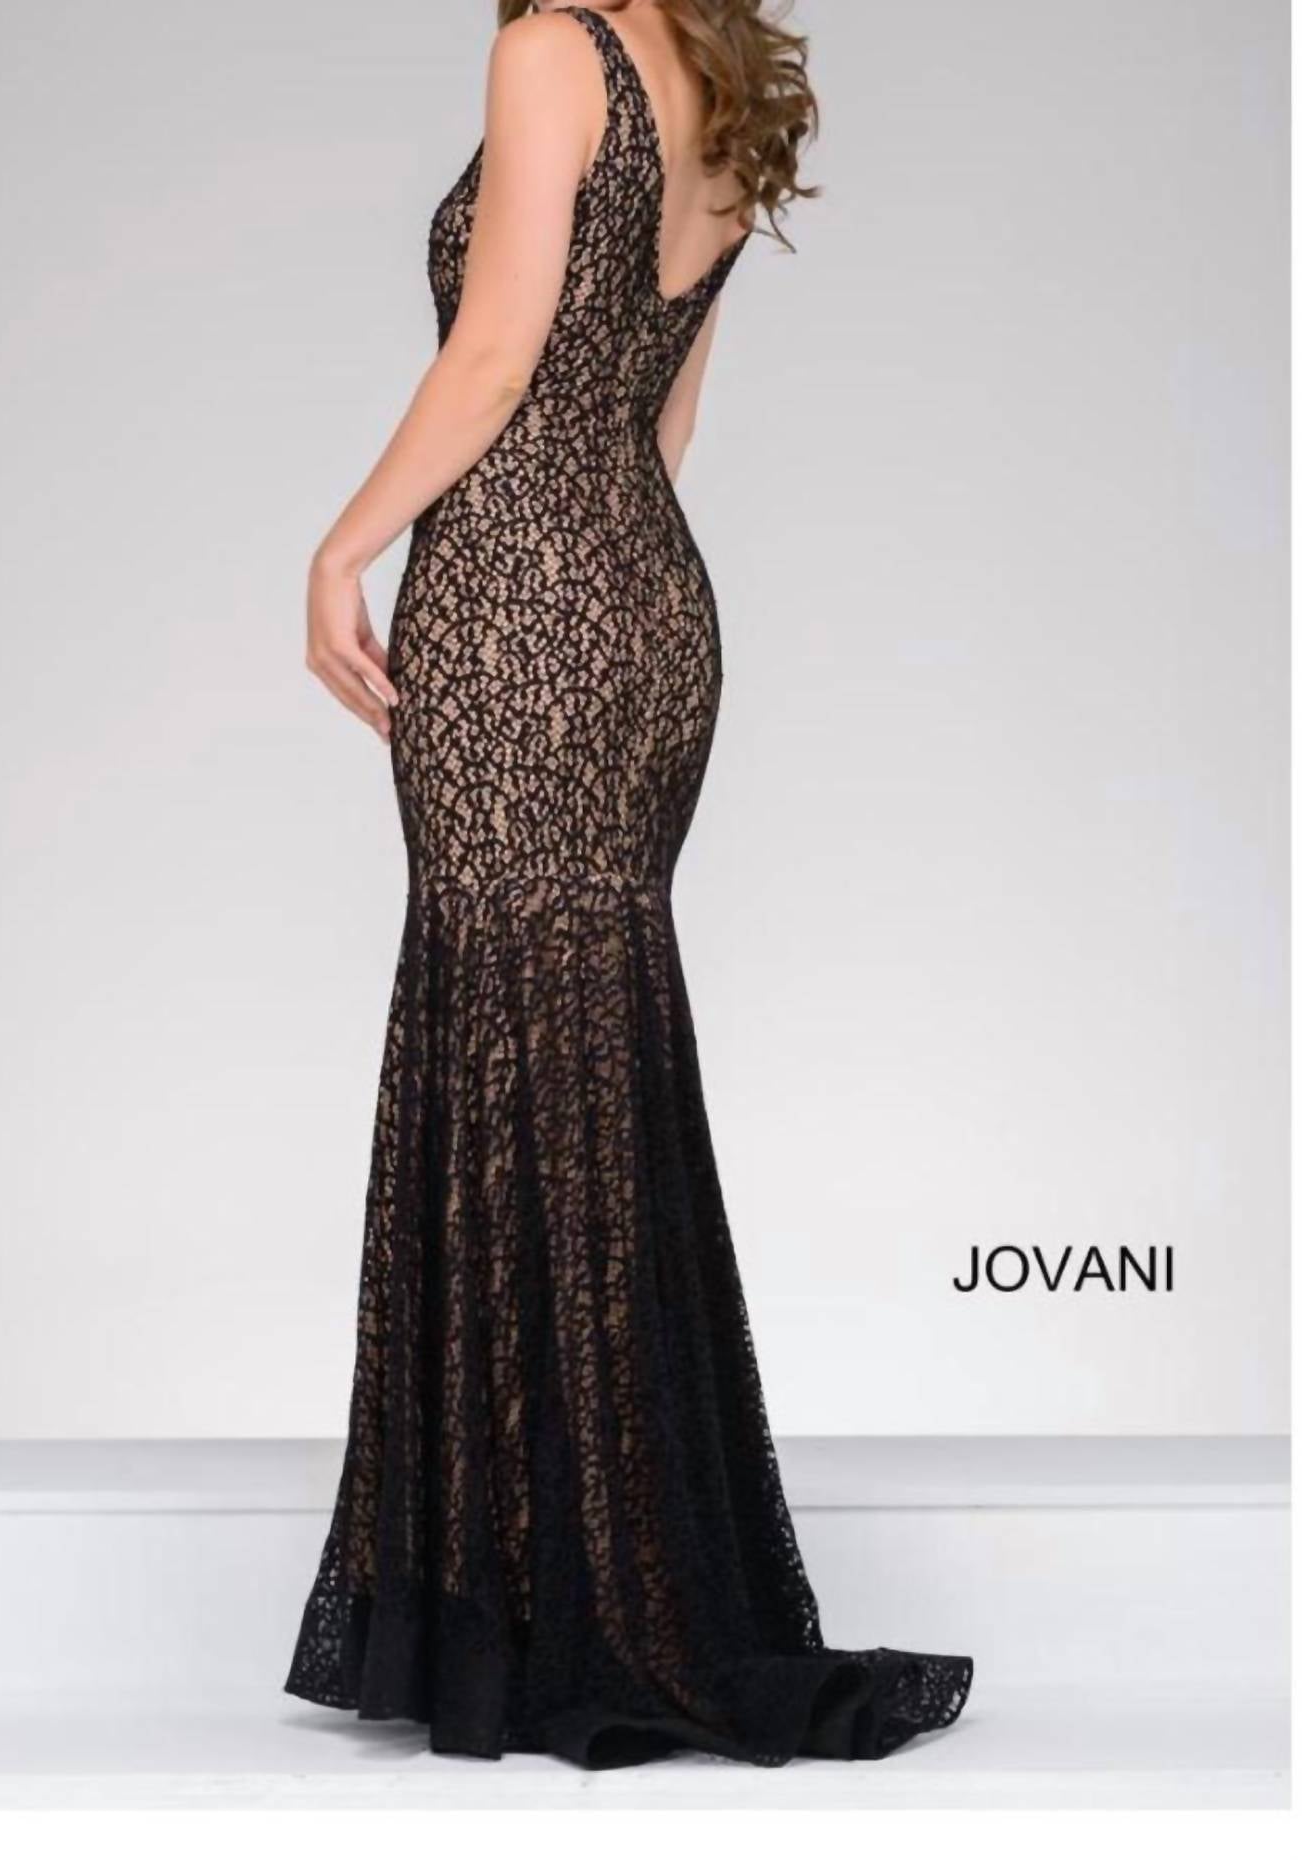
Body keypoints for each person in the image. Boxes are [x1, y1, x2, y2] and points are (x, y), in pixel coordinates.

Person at [284, 0, 972, 1768]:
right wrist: (594, 583)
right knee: (590, 1066)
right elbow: (662, 421)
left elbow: (494, 358)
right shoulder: (723, 86)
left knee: (511, 1053)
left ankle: (538, 1612)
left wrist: (346, 547)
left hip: (519, 599)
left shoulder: (554, 51)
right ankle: (616, 1577)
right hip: (649, 602)